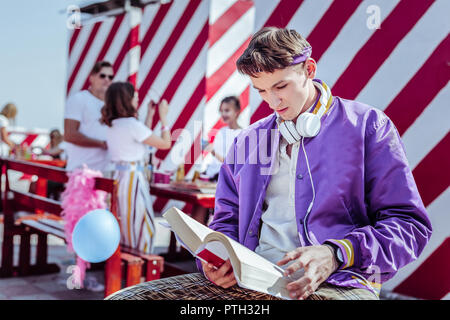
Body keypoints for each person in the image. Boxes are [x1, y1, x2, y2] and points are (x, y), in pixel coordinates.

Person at [105, 27, 432, 301]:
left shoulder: (368, 127)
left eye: (281, 86)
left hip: (337, 284)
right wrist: (217, 261)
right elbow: (226, 221)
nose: (273, 102)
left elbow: (410, 227)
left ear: (310, 70)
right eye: (261, 91)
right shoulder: (248, 141)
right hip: (250, 284)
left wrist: (335, 254)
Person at [100, 82, 171, 254]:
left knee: (126, 224)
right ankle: (139, 270)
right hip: (133, 179)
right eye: (135, 95)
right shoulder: (131, 124)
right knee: (142, 225)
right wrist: (164, 119)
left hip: (118, 177)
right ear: (127, 99)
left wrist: (149, 115)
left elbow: (140, 137)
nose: (137, 98)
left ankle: (125, 265)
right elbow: (165, 143)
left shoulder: (114, 124)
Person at [63, 61, 114, 172]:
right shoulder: (79, 99)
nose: (107, 80)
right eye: (102, 76)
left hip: (106, 174)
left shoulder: (112, 105)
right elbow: (69, 135)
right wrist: (101, 144)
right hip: (81, 173)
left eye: (110, 77)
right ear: (91, 78)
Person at [204, 96, 243, 180]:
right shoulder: (222, 131)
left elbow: (232, 164)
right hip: (211, 176)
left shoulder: (241, 135)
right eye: (221, 111)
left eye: (227, 110)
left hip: (225, 179)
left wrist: (213, 151)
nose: (223, 114)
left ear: (237, 112)